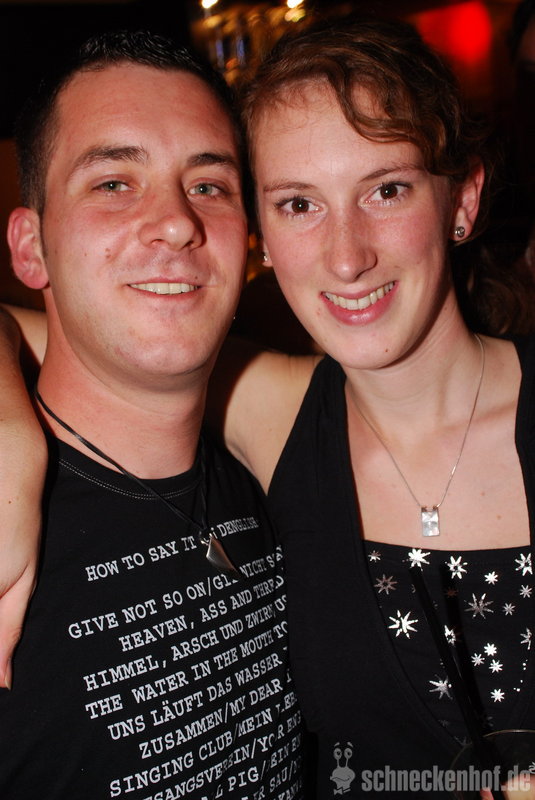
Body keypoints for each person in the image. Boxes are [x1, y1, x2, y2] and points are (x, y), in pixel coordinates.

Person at [1, 16, 534, 799]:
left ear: (462, 199)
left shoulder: (248, 415)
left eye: (386, 189)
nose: (347, 257)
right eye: (297, 204)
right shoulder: (279, 418)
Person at [0, 30, 303, 799]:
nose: (175, 222)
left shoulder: (283, 474)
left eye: (208, 185)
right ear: (31, 248)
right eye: (113, 182)